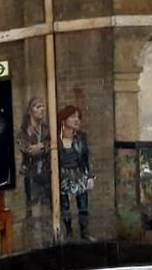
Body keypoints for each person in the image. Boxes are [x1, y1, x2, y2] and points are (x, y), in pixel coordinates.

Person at [56, 105, 95, 240]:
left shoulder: (81, 138)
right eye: (73, 117)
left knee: (83, 206)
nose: (76, 120)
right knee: (65, 207)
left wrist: (90, 176)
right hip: (62, 176)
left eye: (78, 117)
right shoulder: (56, 139)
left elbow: (87, 157)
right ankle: (69, 233)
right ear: (63, 120)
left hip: (79, 173)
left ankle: (85, 233)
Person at [16, 96, 51, 216]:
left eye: (43, 107)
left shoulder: (46, 129)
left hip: (46, 172)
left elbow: (54, 143)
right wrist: (43, 148)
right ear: (30, 110)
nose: (42, 109)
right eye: (38, 107)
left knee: (48, 207)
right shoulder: (24, 132)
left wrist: (41, 146)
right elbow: (28, 150)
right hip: (32, 173)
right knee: (33, 207)